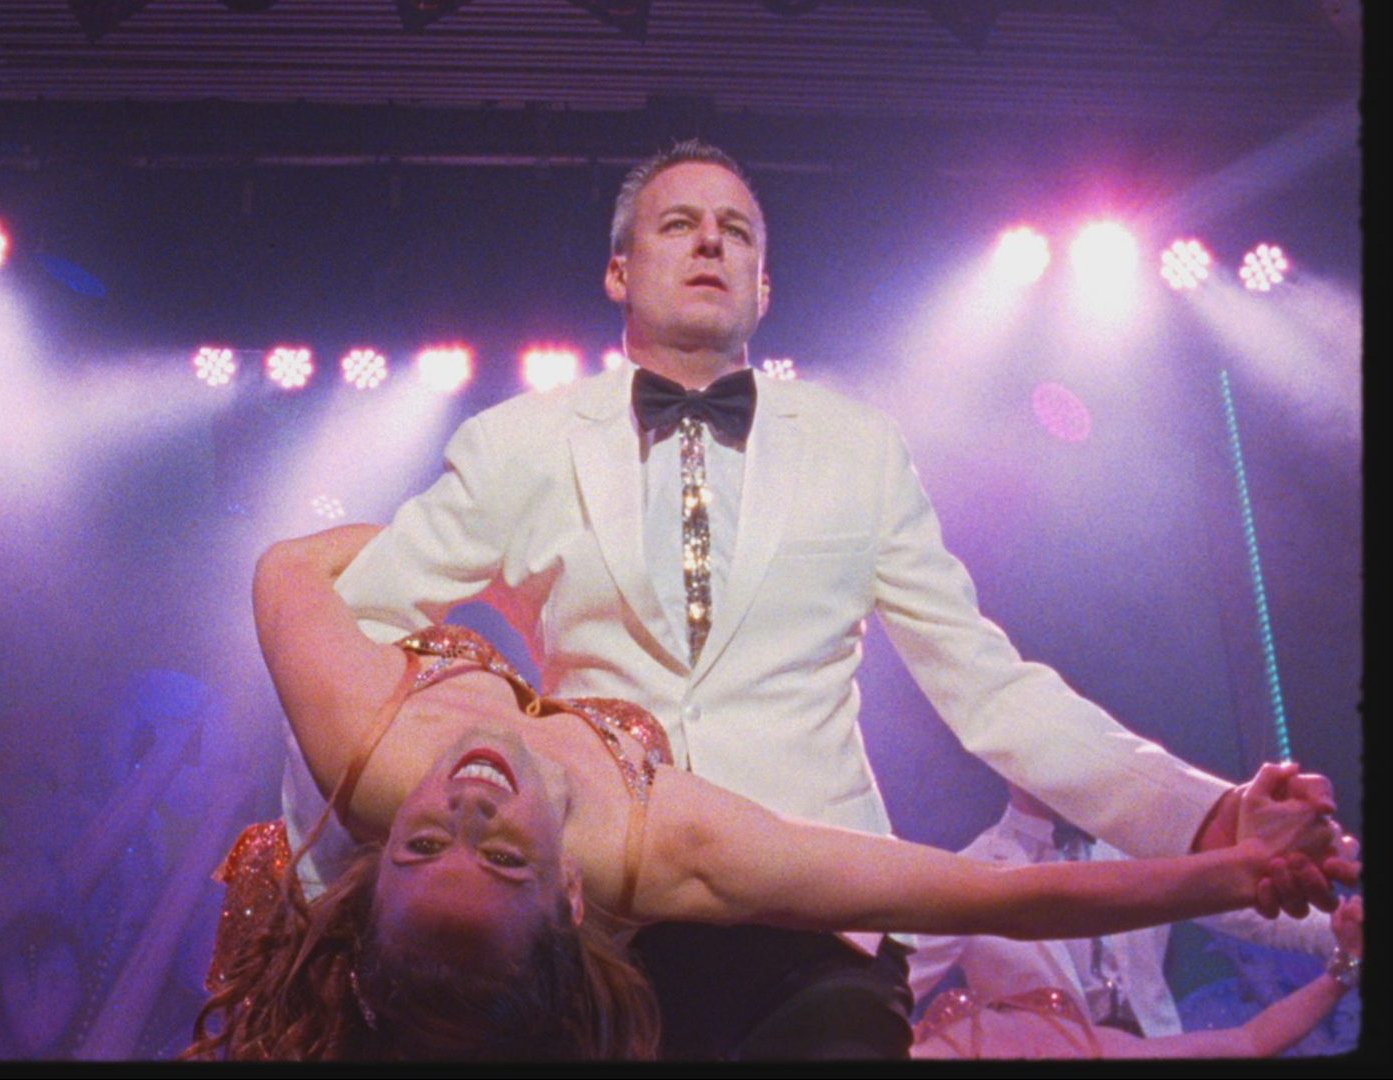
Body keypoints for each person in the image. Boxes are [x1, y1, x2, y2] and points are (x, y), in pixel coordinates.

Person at [299, 139, 1356, 1057]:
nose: (711, 243)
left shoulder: (858, 448)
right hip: (607, 930)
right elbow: (360, 634)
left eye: (736, 232)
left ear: (765, 287)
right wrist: (343, 899)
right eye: (679, 224)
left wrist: (1207, 814)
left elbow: (991, 688)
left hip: (827, 921)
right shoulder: (521, 443)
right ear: (620, 271)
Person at [192, 526, 1342, 1060]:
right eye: (500, 858)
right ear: (573, 900)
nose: (475, 801)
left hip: (304, 914)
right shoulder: (664, 844)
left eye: (420, 841)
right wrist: (1228, 867)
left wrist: (486, 543)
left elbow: (284, 565)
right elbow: (980, 893)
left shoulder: (370, 745)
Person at [906, 783, 1339, 1040]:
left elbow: (1242, 905)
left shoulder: (1139, 848)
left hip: (1160, 1048)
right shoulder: (973, 873)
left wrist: (1343, 928)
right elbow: (892, 983)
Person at [911, 896, 1361, 1059]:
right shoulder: (974, 882)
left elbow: (1251, 1040)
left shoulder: (1140, 859)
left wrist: (1348, 949)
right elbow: (893, 977)